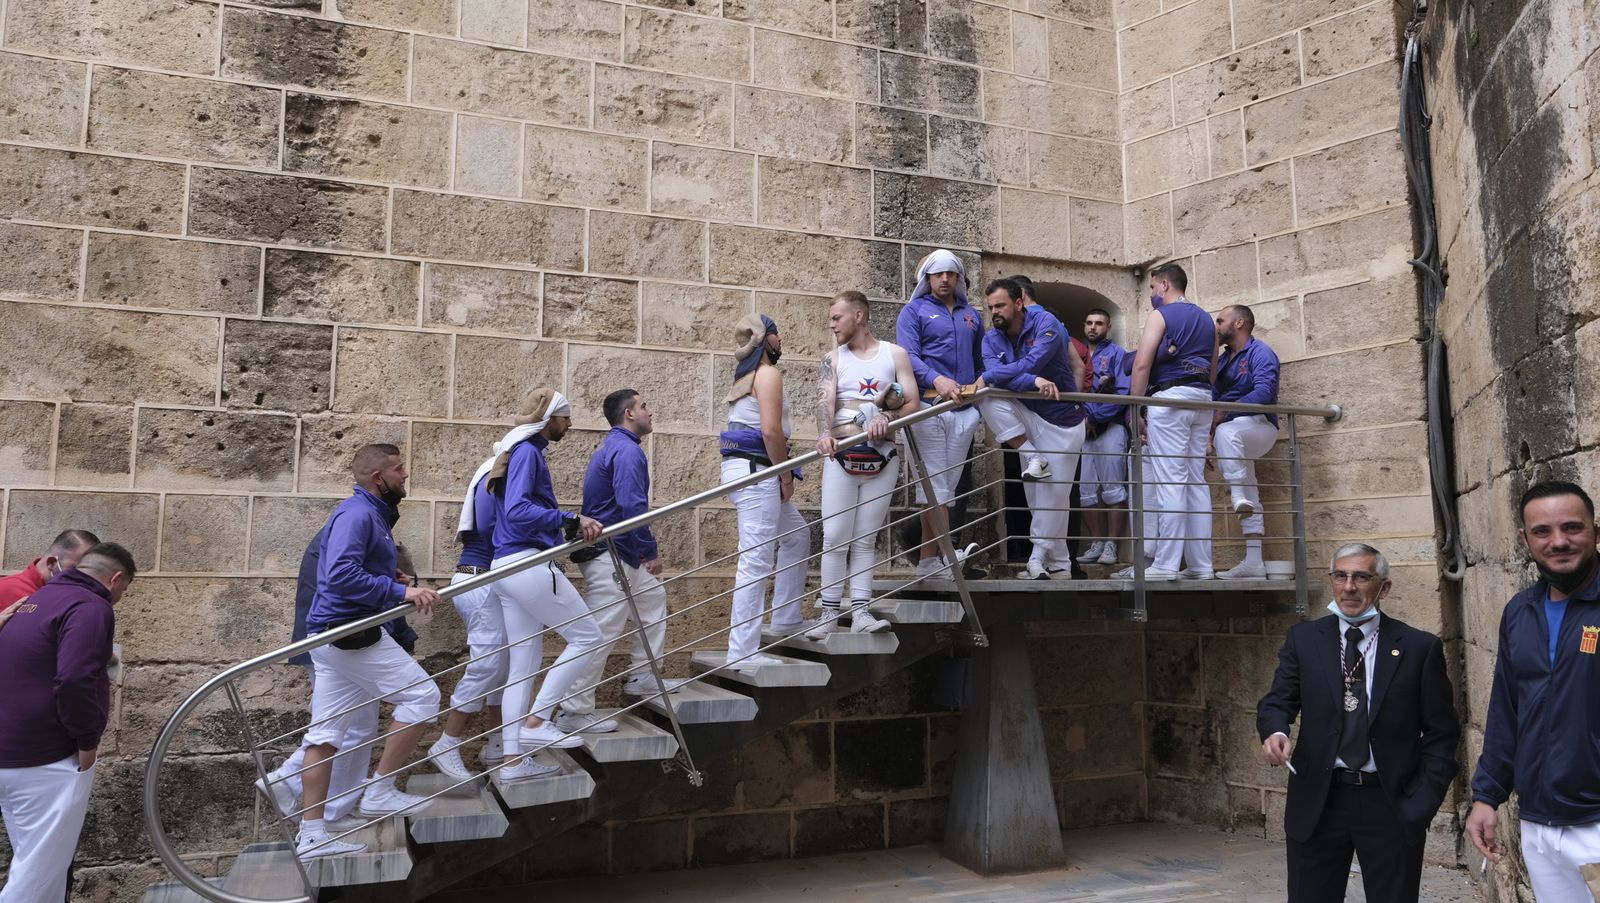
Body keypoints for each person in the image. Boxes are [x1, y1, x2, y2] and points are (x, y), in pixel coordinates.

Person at [1257, 543, 1459, 903]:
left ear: (1384, 587)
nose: (1349, 586)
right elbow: (1277, 702)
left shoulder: (1418, 647)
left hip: (1389, 801)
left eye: (1361, 577)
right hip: (1319, 799)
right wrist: (1275, 732)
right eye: (1341, 576)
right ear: (1333, 581)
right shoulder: (1304, 641)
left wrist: (1421, 802)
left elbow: (1442, 733)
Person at [296, 444, 444, 859]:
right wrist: (402, 590)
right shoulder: (358, 513)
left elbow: (352, 569)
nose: (406, 475)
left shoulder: (369, 514)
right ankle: (378, 791)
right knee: (422, 696)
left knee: (324, 734)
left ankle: (311, 834)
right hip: (349, 635)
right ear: (379, 477)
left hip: (331, 637)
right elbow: (340, 574)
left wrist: (389, 575)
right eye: (399, 469)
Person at [1466, 481, 1600, 899]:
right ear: (1526, 539)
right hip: (1539, 827)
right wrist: (1486, 797)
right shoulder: (1520, 612)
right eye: (1542, 531)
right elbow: (1507, 711)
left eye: (1572, 528)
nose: (1558, 541)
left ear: (1596, 531)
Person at [0, 542, 135, 903]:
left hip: (12, 753)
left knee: (42, 874)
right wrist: (87, 741)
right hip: (47, 757)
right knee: (34, 879)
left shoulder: (39, 598)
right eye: (123, 591)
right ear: (115, 579)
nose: (119, 598)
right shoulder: (92, 605)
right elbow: (74, 678)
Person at [486, 387, 606, 773]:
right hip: (526, 563)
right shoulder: (527, 453)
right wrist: (570, 519)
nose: (570, 423)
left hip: (508, 566)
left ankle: (511, 759)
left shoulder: (519, 451)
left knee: (523, 666)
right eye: (565, 415)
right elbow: (519, 509)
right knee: (589, 636)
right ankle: (537, 722)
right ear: (548, 418)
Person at [807, 291, 920, 638]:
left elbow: (913, 402)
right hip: (842, 458)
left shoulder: (894, 354)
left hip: (881, 457)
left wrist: (885, 416)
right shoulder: (833, 358)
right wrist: (824, 435)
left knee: (866, 538)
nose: (831, 324)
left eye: (836, 317)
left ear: (859, 315)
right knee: (836, 536)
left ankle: (860, 611)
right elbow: (824, 401)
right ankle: (828, 612)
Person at [566, 388, 681, 713]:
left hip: (618, 553)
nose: (650, 411)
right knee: (601, 630)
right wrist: (650, 551)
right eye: (645, 406)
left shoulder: (616, 447)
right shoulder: (627, 452)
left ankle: (643, 677)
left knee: (652, 598)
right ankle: (574, 711)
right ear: (629, 414)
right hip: (610, 554)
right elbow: (632, 507)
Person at [974, 278, 1087, 580]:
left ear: (1019, 303)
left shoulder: (1045, 322)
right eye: (990, 308)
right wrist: (1030, 381)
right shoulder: (990, 339)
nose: (994, 312)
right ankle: (1031, 454)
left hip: (1062, 420)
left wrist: (997, 375)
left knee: (1051, 496)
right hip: (1028, 415)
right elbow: (999, 379)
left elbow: (1034, 361)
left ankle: (1047, 561)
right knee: (989, 399)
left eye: (1000, 305)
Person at [1115, 263, 1217, 581]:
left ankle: (1166, 564)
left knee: (1170, 481)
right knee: (1195, 482)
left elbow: (1142, 363)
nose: (1151, 295)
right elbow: (1212, 367)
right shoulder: (1206, 318)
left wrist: (1134, 408)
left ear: (1162, 285)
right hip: (1202, 398)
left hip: (1170, 400)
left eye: (1151, 288)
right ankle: (1201, 565)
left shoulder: (1162, 315)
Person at [720, 316, 810, 666]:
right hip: (760, 472)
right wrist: (785, 476)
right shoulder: (768, 373)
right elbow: (771, 432)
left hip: (749, 470)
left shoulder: (745, 376)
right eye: (776, 333)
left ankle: (786, 617)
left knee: (797, 536)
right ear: (766, 339)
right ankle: (742, 652)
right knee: (755, 559)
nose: (781, 338)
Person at [897, 250, 984, 579]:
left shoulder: (972, 315)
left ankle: (928, 563)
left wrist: (981, 383)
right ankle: (942, 560)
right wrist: (937, 379)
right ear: (927, 279)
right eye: (938, 274)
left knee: (945, 487)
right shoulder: (913, 311)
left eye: (951, 273)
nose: (945, 279)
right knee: (934, 487)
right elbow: (907, 357)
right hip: (927, 406)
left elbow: (982, 358)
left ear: (959, 278)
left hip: (965, 410)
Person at [427, 468, 513, 779]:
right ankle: (447, 743)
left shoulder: (500, 474)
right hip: (478, 579)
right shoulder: (494, 474)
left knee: (502, 665)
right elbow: (493, 527)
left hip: (487, 581)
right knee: (488, 664)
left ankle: (496, 742)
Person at [1210, 304, 1281, 580]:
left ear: (1239, 323)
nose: (1216, 326)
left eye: (1220, 320)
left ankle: (1237, 492)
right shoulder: (1225, 359)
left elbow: (1264, 393)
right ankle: (1254, 562)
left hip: (1260, 425)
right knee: (1250, 491)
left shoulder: (1261, 352)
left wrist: (1225, 413)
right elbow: (1211, 399)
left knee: (1228, 432)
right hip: (1232, 429)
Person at [1076, 309, 1130, 568]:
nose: (1093, 327)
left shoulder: (1117, 354)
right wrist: (1082, 420)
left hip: (1110, 426)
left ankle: (1111, 545)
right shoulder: (1076, 352)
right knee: (1085, 490)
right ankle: (1096, 542)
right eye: (1089, 322)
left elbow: (1122, 392)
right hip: (1081, 429)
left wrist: (1094, 418)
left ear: (1108, 327)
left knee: (1113, 488)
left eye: (1099, 323)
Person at [0, 529, 100, 608]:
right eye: (77, 571)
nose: (83, 580)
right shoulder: (4, 589)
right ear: (51, 563)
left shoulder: (74, 601)